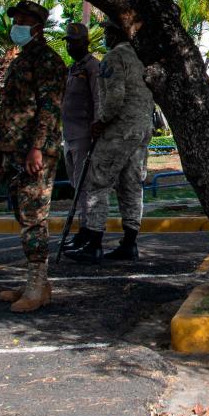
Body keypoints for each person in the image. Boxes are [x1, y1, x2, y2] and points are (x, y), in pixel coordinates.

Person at [0, 0, 68, 312]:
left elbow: (49, 109)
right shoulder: (22, 59)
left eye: (22, 20)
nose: (17, 25)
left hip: (35, 151)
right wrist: (0, 151)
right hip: (15, 150)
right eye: (16, 19)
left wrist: (36, 147)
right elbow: (10, 110)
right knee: (23, 214)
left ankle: (38, 285)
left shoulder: (48, 61)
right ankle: (35, 283)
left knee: (34, 216)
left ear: (37, 26)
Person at [67, 17, 150, 263]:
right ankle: (129, 241)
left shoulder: (114, 57)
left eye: (107, 33)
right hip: (141, 129)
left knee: (97, 182)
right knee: (131, 185)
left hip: (120, 130)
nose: (104, 38)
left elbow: (114, 98)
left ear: (114, 35)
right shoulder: (140, 58)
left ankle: (93, 242)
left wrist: (101, 122)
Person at [60, 20, 103, 231]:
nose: (70, 47)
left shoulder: (92, 67)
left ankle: (87, 230)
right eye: (68, 43)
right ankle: (82, 227)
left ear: (85, 42)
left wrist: (96, 127)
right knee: (76, 185)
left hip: (84, 135)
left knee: (84, 187)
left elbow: (98, 98)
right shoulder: (71, 69)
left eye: (75, 42)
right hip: (68, 135)